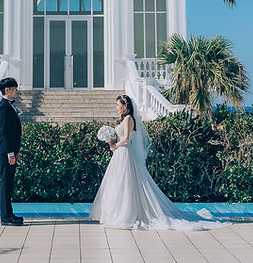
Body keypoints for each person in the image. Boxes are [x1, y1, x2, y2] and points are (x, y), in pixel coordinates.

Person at [89, 95, 226, 230]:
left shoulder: (128, 118)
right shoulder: (124, 119)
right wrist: (111, 141)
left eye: (118, 105)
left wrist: (115, 146)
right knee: (118, 182)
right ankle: (114, 213)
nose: (116, 107)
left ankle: (125, 214)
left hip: (124, 151)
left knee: (126, 182)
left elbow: (126, 139)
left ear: (125, 106)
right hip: (121, 153)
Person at [0, 77, 23, 226]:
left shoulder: (9, 105)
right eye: (14, 88)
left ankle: (9, 213)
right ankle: (6, 217)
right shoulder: (4, 107)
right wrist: (9, 152)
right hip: (5, 151)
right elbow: (4, 132)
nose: (16, 90)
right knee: (6, 183)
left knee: (9, 183)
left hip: (10, 150)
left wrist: (15, 150)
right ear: (7, 89)